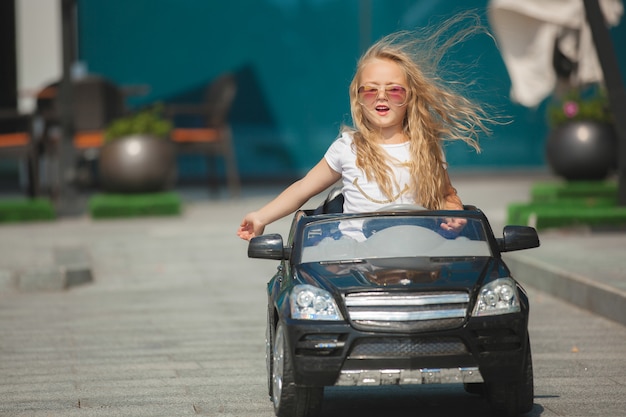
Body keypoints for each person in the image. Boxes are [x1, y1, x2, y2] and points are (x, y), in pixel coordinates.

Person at [238, 14, 493, 241]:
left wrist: (455, 213)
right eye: (371, 90)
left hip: (416, 253)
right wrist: (261, 216)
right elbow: (302, 189)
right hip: (355, 259)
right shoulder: (348, 147)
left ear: (409, 97)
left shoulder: (426, 146)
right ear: (358, 99)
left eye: (393, 90)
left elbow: (446, 195)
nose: (381, 96)